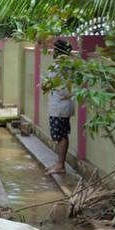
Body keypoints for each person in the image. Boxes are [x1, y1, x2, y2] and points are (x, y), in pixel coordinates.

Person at [43, 39, 74, 175]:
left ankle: (60, 165)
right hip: (59, 105)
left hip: (60, 106)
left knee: (61, 135)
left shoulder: (63, 66)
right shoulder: (63, 65)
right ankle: (59, 163)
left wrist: (47, 85)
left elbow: (59, 87)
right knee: (60, 135)